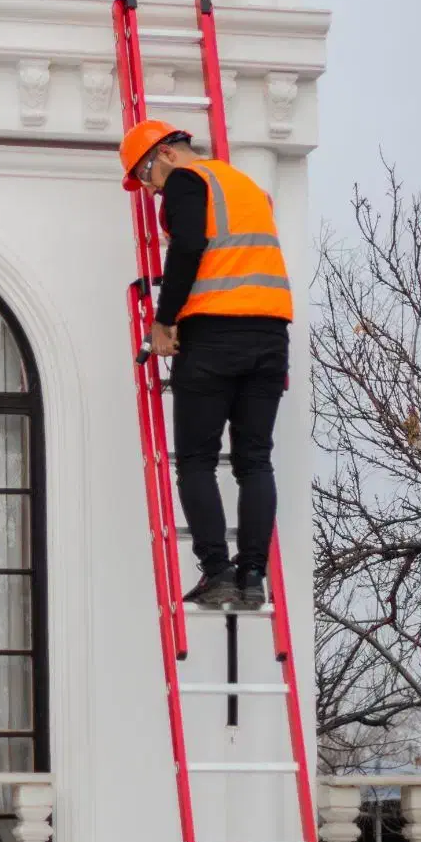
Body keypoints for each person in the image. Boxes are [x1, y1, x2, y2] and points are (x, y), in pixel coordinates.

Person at [119, 120, 293, 611]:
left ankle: (218, 572)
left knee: (196, 459)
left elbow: (191, 247)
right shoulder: (246, 188)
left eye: (146, 173)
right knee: (254, 459)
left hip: (215, 336)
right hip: (270, 335)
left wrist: (163, 321)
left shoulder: (186, 181)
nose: (151, 188)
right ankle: (253, 575)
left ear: (167, 154)